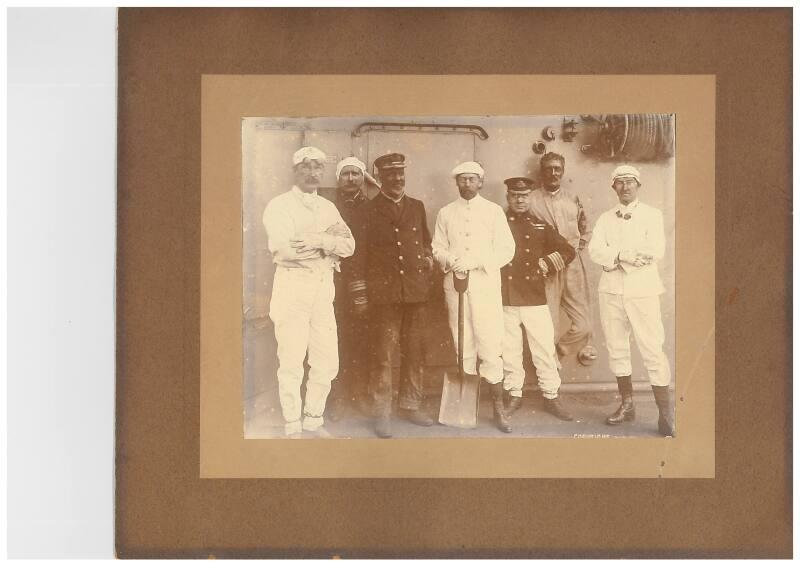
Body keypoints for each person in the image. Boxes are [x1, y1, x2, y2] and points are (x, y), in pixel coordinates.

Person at [262, 146, 355, 438]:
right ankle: (292, 423)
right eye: (307, 166)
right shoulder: (279, 206)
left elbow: (349, 246)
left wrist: (316, 240)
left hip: (322, 288)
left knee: (325, 357)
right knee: (291, 357)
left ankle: (314, 419)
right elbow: (285, 250)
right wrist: (329, 247)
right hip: (292, 285)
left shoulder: (328, 208)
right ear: (295, 170)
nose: (313, 172)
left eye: (318, 167)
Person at [350, 153, 435, 438]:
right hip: (383, 296)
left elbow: (425, 244)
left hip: (415, 293)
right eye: (390, 174)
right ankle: (382, 411)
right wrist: (360, 294)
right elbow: (358, 254)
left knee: (414, 352)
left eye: (400, 173)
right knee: (383, 356)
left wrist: (425, 266)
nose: (397, 179)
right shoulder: (366, 211)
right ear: (381, 178)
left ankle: (410, 405)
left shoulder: (417, 207)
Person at [587, 164, 675, 436]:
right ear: (613, 187)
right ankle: (627, 404)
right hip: (611, 291)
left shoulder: (652, 215)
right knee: (617, 347)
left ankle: (665, 413)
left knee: (652, 348)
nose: (625, 187)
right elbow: (595, 251)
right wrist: (622, 256)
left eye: (630, 182)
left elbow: (655, 250)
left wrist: (615, 258)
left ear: (638, 185)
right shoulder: (604, 219)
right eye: (620, 182)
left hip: (643, 290)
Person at [432, 161, 516, 433]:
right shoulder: (446, 213)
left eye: (472, 179)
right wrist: (450, 259)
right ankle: (466, 405)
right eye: (462, 179)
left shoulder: (493, 212)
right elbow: (437, 247)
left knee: (490, 344)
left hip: (484, 285)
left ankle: (499, 408)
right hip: (455, 285)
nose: (467, 184)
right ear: (456, 183)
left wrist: (477, 261)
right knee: (463, 343)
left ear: (480, 182)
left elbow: (506, 250)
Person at [500, 177, 576, 421]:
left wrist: (546, 262)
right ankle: (513, 394)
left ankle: (551, 396)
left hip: (534, 297)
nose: (519, 200)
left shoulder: (540, 226)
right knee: (509, 350)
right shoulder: (496, 223)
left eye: (524, 196)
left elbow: (568, 250)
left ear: (530, 197)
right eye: (514, 196)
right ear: (508, 198)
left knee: (543, 349)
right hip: (503, 297)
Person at [529, 152, 598, 366]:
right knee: (548, 324)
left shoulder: (573, 199)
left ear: (563, 171)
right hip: (547, 268)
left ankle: (559, 350)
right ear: (542, 171)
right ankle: (550, 383)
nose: (553, 173)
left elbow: (585, 229)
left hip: (573, 267)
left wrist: (575, 251)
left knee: (584, 324)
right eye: (549, 168)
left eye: (557, 168)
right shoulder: (530, 200)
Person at [325, 157, 371, 422]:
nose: (351, 179)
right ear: (338, 178)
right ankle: (337, 397)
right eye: (346, 174)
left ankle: (360, 394)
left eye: (356, 174)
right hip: (332, 283)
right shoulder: (328, 205)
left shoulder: (370, 208)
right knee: (334, 341)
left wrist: (362, 284)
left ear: (363, 178)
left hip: (361, 283)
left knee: (362, 341)